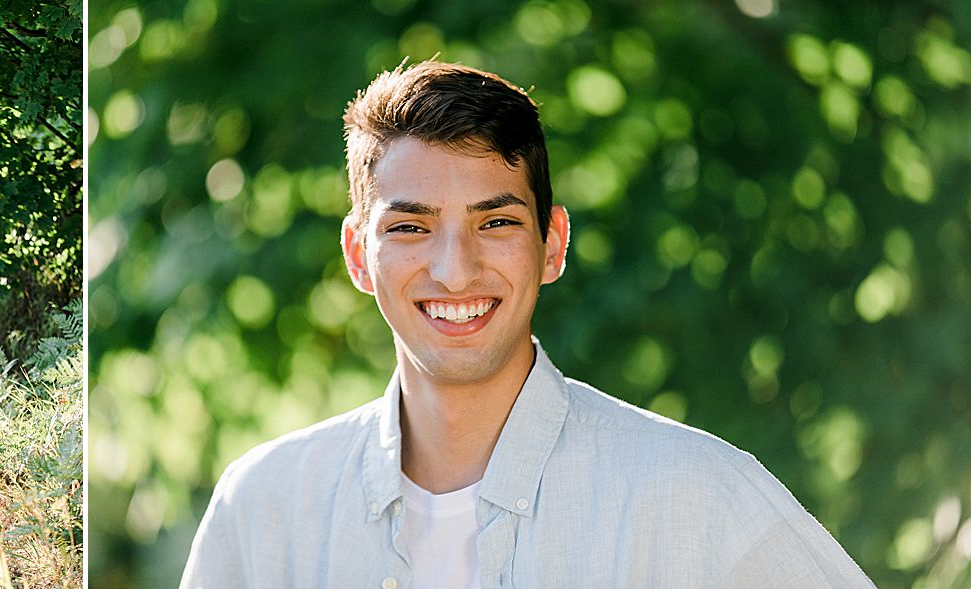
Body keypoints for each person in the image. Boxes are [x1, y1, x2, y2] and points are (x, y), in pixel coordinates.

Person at [179, 62, 873, 587]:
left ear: (552, 243)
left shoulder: (694, 496)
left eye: (497, 220)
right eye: (412, 225)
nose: (456, 269)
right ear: (360, 255)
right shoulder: (263, 511)